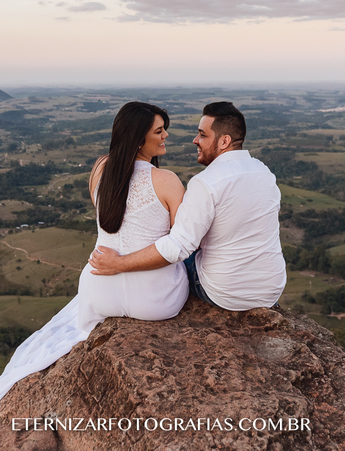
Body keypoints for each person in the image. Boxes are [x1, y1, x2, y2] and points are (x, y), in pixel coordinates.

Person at [0, 101, 188, 413]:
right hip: (156, 303)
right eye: (159, 130)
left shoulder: (102, 168)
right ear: (139, 138)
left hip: (99, 291)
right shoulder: (168, 180)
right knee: (188, 259)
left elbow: (108, 225)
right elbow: (178, 244)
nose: (166, 134)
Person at [90, 101, 286, 311]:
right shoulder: (265, 173)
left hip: (224, 294)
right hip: (271, 289)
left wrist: (118, 263)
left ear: (224, 141)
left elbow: (178, 247)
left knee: (183, 246)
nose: (195, 140)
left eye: (202, 135)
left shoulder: (206, 182)